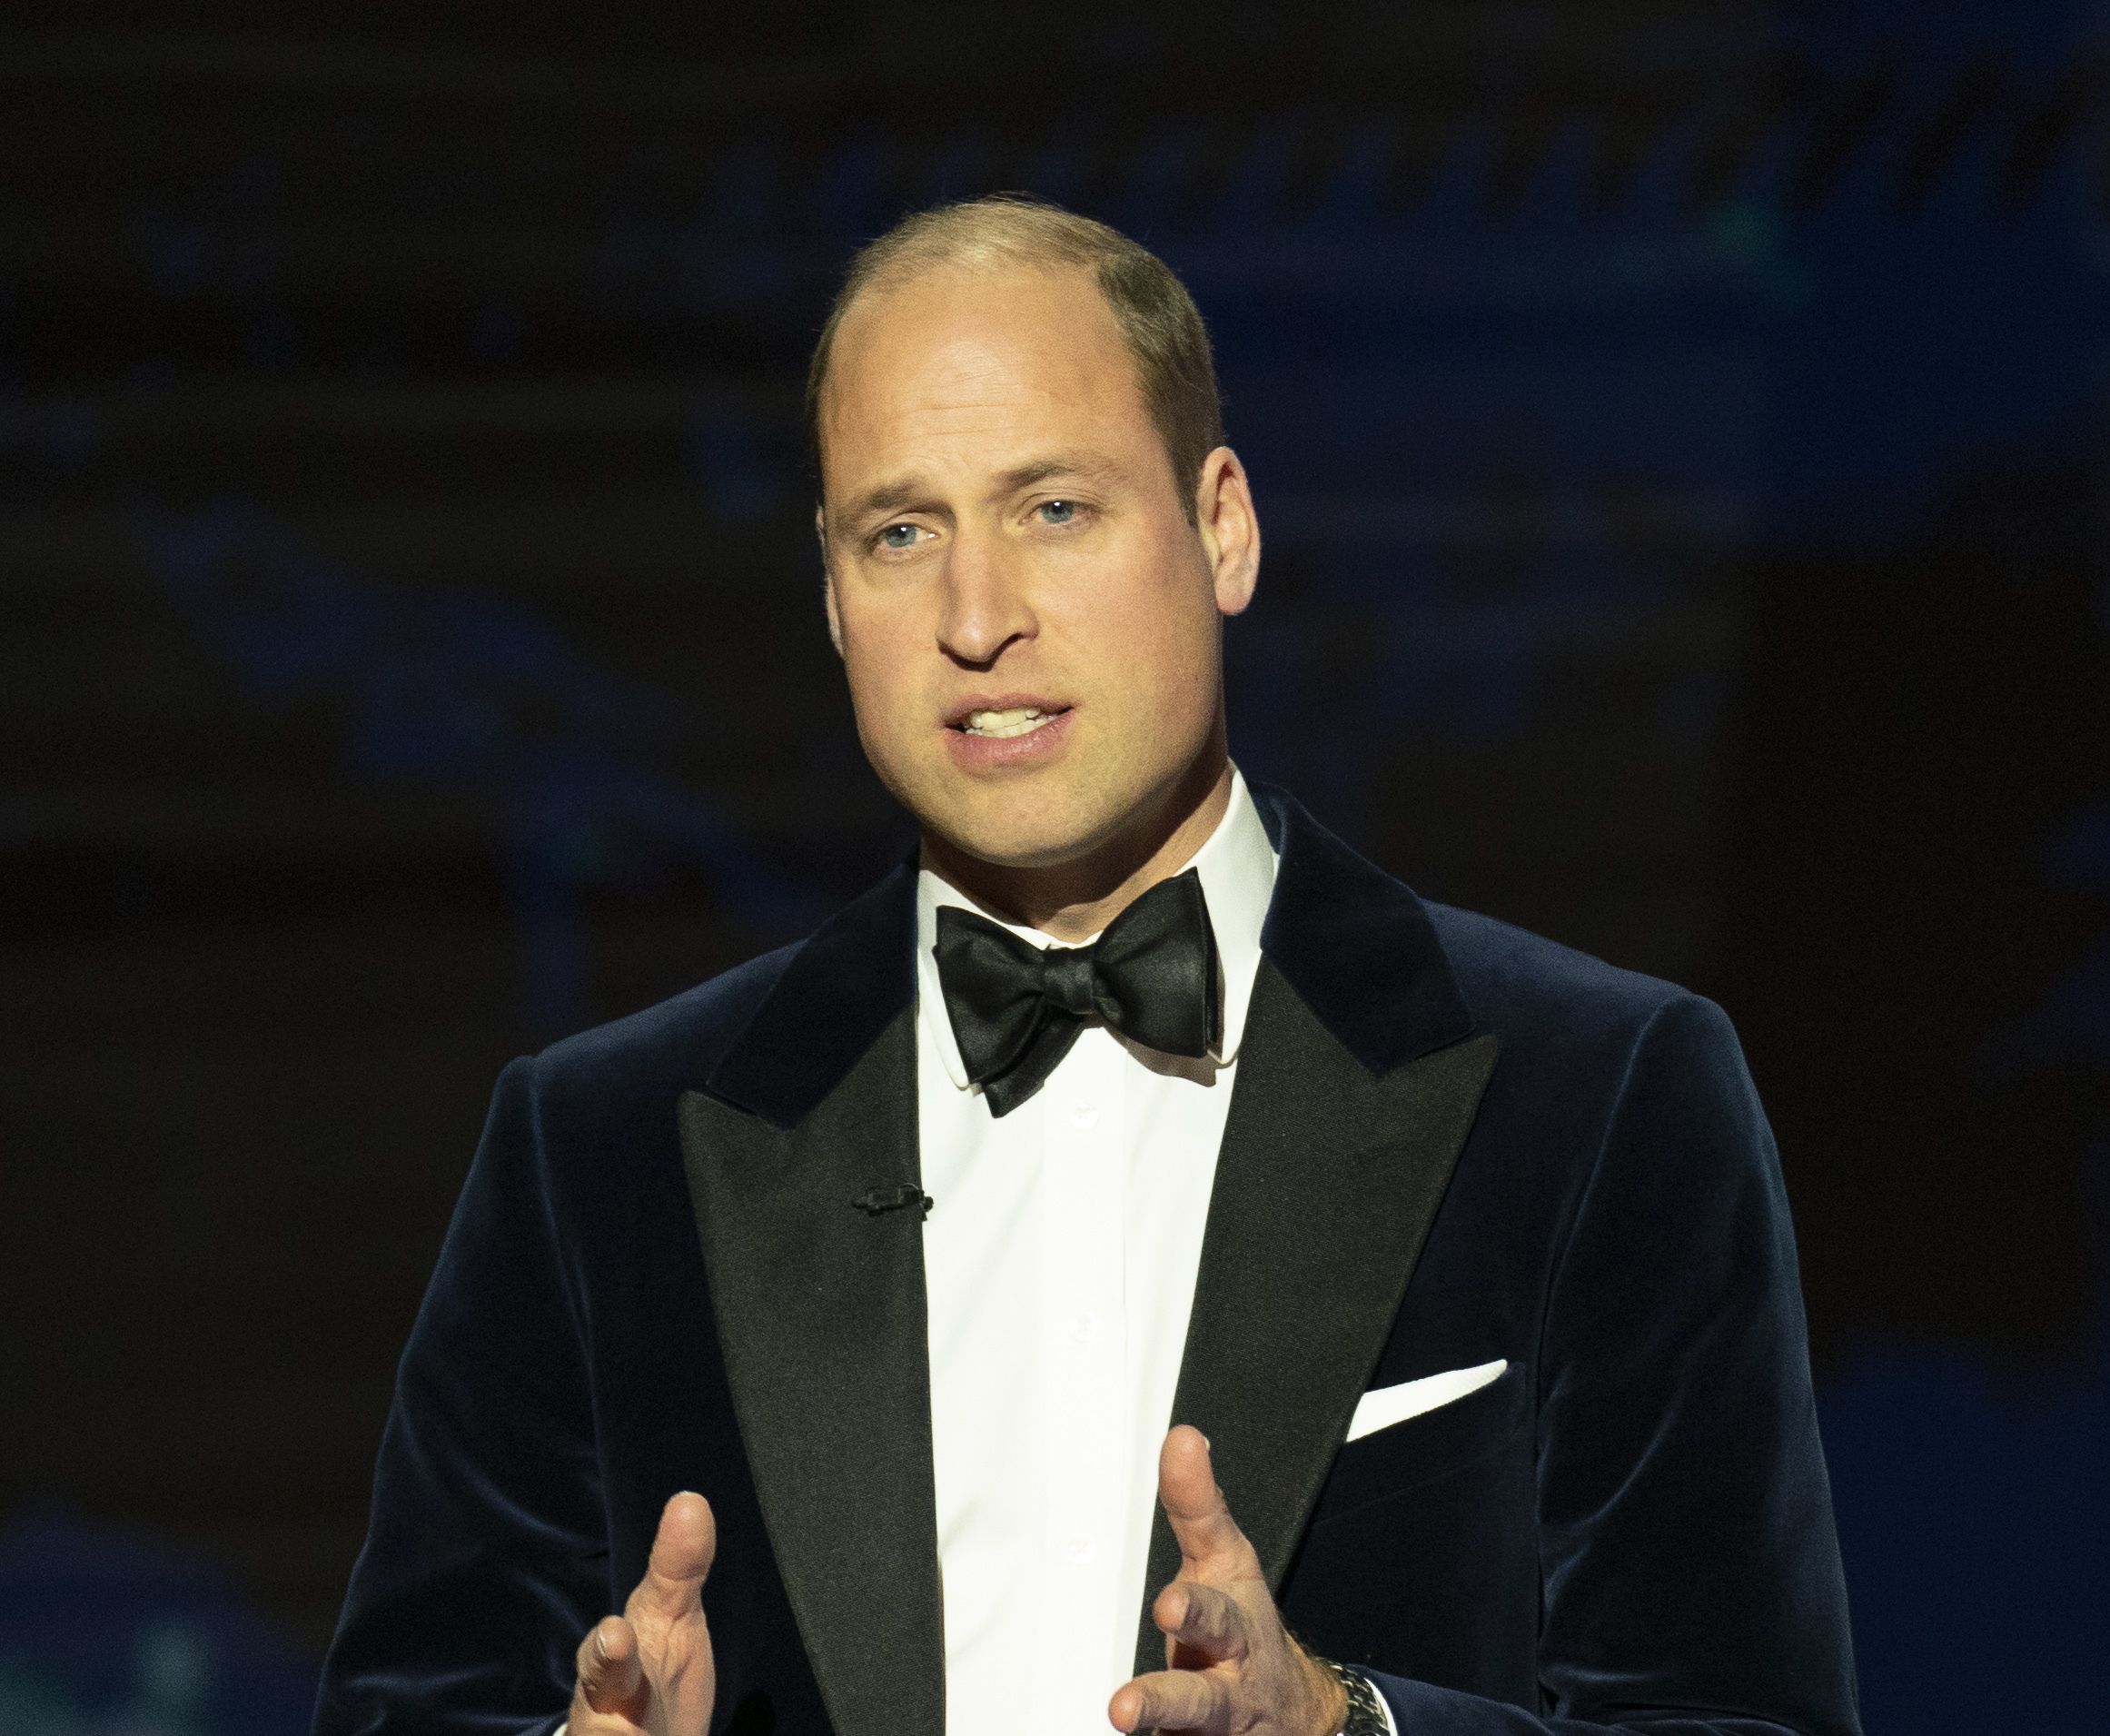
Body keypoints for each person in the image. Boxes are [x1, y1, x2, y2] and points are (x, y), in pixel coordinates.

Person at [314, 196, 1862, 1736]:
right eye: (902, 533)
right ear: (834, 595)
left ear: (1223, 527)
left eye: (1055, 508)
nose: (978, 619)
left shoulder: (1598, 1098)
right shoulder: (601, 1150)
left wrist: (1348, 1732)